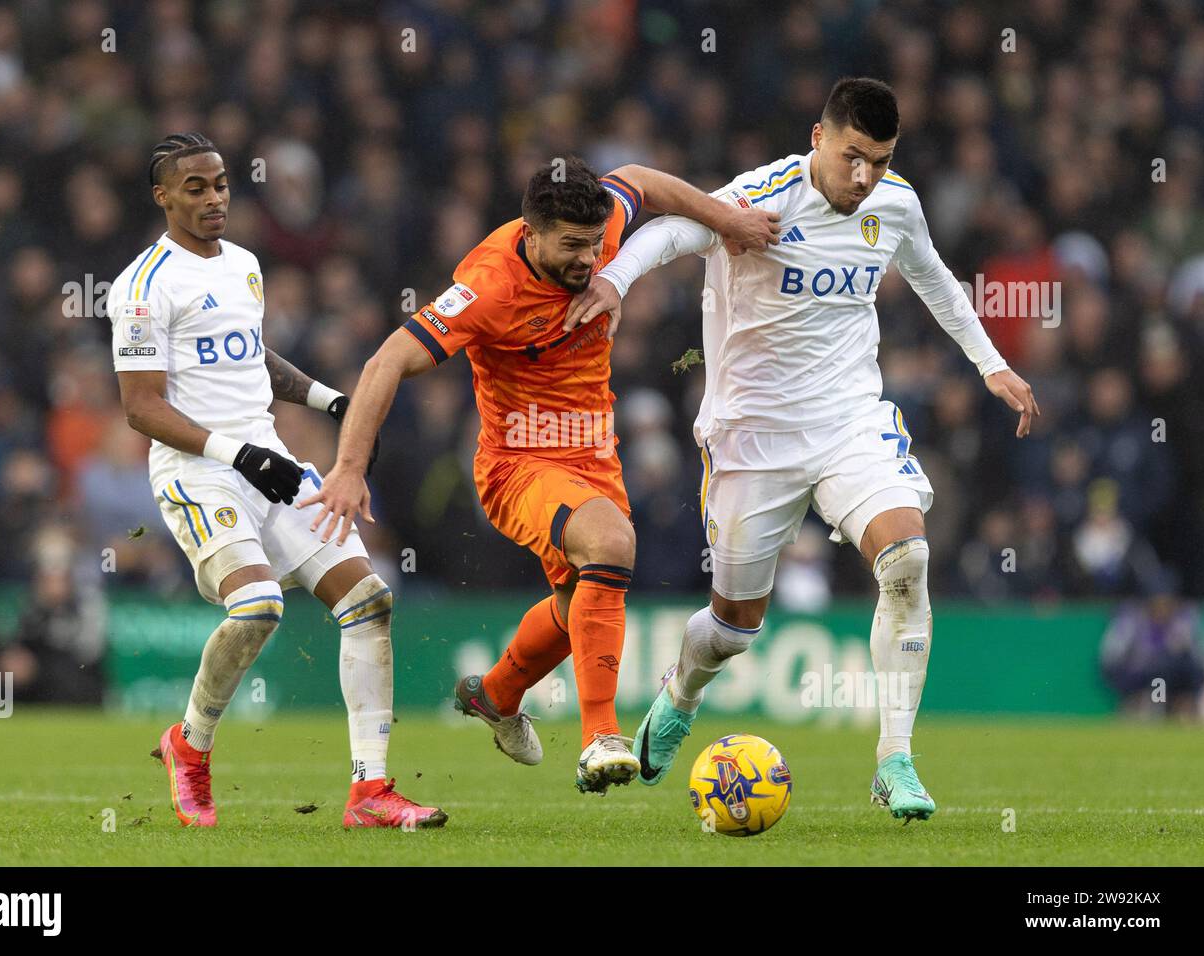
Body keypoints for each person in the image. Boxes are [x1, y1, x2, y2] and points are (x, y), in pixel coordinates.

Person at [564, 78, 1041, 821]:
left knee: (908, 560)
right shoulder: (765, 195)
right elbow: (670, 233)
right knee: (732, 630)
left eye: (879, 161)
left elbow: (936, 279)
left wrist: (992, 366)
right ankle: (682, 692)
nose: (864, 177)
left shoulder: (896, 204)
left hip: (851, 420)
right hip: (752, 440)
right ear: (819, 138)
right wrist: (616, 279)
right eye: (853, 156)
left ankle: (895, 760)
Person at [300, 156, 779, 793]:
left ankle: (495, 695)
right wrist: (350, 468)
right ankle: (600, 736)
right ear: (531, 232)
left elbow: (642, 179)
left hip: (594, 456)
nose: (590, 259)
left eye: (595, 243)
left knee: (574, 602)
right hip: (518, 462)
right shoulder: (487, 287)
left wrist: (727, 220)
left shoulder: (599, 222)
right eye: (573, 246)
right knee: (612, 546)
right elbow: (387, 361)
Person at [107, 133, 444, 828]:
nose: (214, 199)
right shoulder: (142, 285)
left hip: (267, 460)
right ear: (162, 196)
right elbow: (141, 407)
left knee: (369, 600)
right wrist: (236, 453)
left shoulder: (245, 266)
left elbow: (247, 356)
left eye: (222, 184)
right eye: (194, 188)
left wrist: (331, 400)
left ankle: (370, 791)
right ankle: (189, 747)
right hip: (200, 473)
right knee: (258, 605)